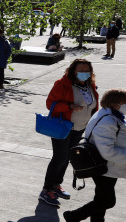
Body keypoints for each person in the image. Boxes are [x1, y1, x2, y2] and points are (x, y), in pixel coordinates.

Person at [63, 89, 126, 222]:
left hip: (105, 165)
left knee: (101, 199)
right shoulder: (108, 121)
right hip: (104, 166)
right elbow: (107, 151)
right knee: (107, 201)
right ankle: (74, 216)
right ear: (115, 104)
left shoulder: (109, 115)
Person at [39, 59, 99, 207]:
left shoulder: (90, 85)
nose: (84, 73)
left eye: (87, 70)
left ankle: (56, 185)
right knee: (60, 158)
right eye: (81, 70)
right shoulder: (62, 84)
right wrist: (69, 106)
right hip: (63, 127)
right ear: (73, 71)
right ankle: (46, 190)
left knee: (67, 158)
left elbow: (93, 105)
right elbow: (49, 104)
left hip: (80, 127)